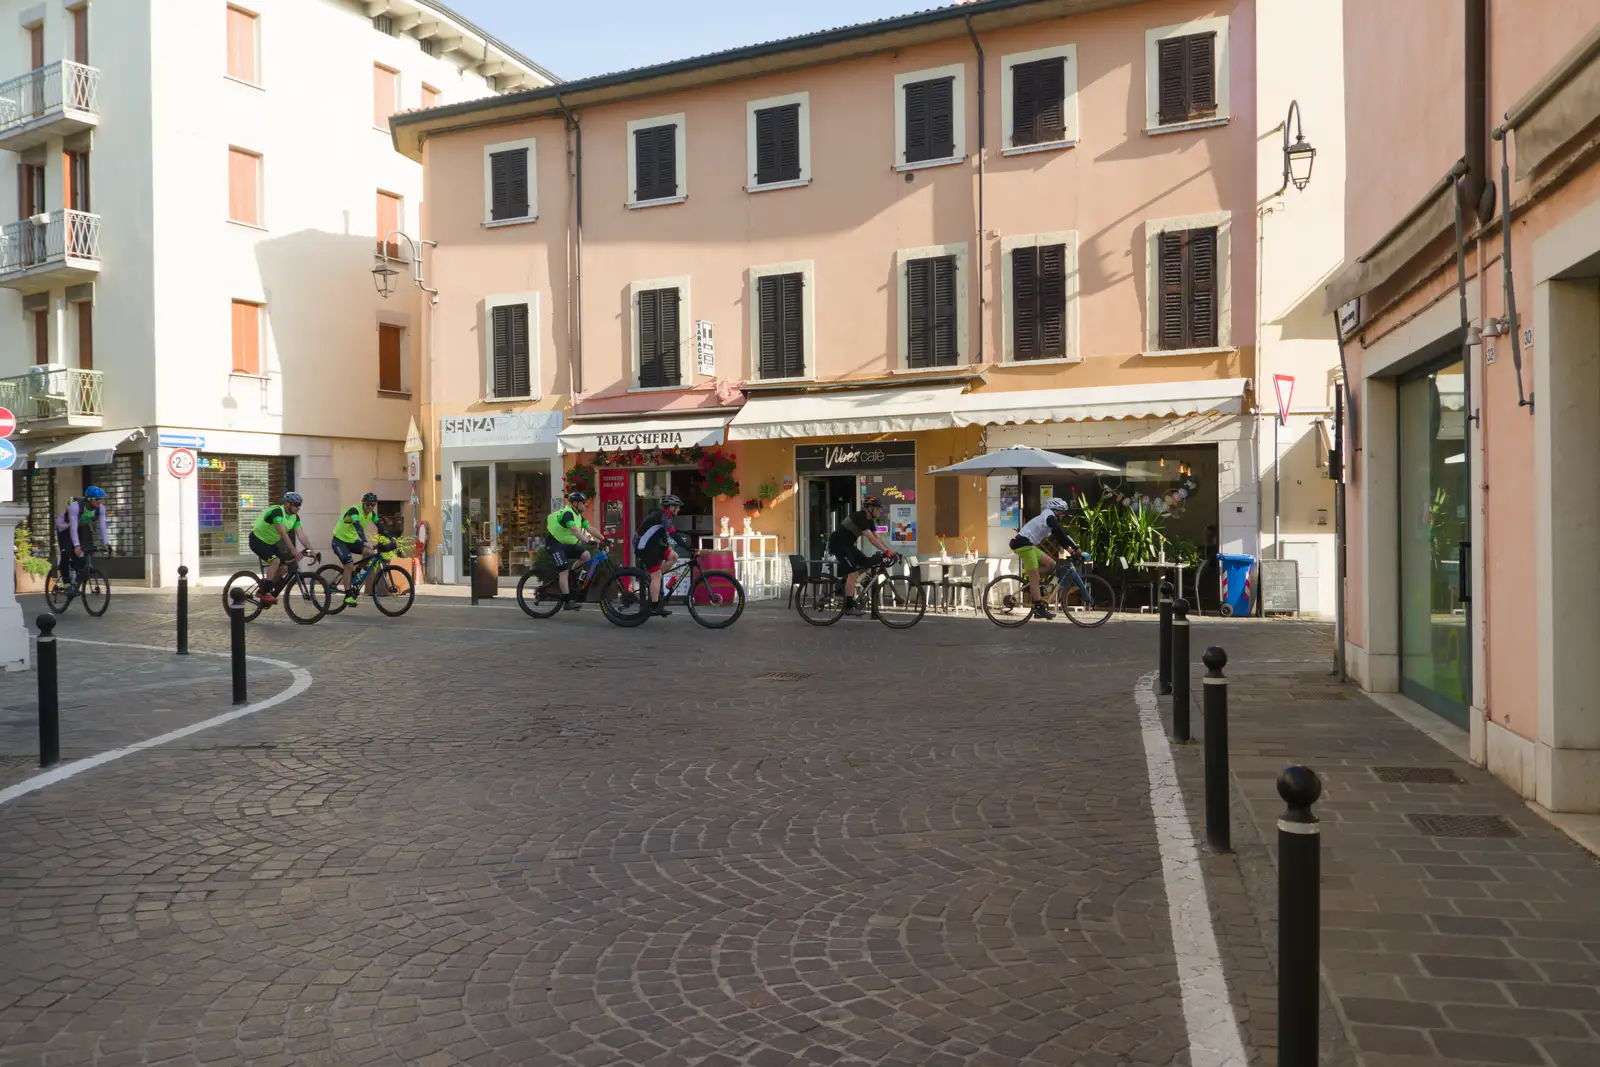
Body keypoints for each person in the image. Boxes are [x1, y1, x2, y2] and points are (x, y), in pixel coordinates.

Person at [1010, 496, 1080, 620]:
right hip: (1023, 544)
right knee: (1034, 577)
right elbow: (1060, 534)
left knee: (1051, 564)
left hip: (1029, 545)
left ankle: (1038, 585)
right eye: (1062, 512)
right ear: (1056, 510)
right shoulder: (1049, 516)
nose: (1063, 515)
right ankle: (1039, 608)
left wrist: (1074, 549)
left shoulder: (1049, 517)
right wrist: (1072, 550)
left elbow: (1061, 535)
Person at [827, 495, 895, 617]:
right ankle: (847, 607)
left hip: (848, 545)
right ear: (870, 508)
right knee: (853, 574)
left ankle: (843, 585)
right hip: (839, 545)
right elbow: (871, 539)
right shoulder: (860, 517)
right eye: (878, 509)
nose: (879, 511)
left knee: (866, 562)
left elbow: (878, 537)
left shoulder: (869, 520)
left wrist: (891, 552)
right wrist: (886, 552)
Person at [249, 493, 315, 606]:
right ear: (287, 504)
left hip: (270, 542)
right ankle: (266, 593)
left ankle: (263, 588)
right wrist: (294, 550)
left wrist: (311, 550)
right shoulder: (277, 513)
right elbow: (283, 533)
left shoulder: (295, 517)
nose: (298, 507)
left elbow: (301, 534)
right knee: (275, 561)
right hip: (257, 540)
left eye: (299, 505)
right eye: (296, 505)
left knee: (284, 568)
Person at [545, 490, 601, 609]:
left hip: (566, 544)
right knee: (563, 571)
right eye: (583, 502)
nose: (585, 505)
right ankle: (567, 601)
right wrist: (587, 540)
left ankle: (572, 577)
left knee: (586, 556)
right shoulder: (568, 514)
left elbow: (590, 528)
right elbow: (574, 530)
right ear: (575, 503)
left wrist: (603, 539)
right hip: (554, 544)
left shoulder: (578, 516)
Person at [636, 493, 687, 617]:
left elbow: (665, 535)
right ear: (670, 507)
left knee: (673, 556)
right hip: (644, 547)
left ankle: (653, 580)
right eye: (677, 507)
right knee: (657, 575)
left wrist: (668, 546)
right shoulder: (662, 516)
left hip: (653, 545)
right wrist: (689, 549)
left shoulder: (664, 517)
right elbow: (674, 534)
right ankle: (655, 605)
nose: (679, 510)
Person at [330, 492, 381, 607]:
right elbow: (358, 527)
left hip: (351, 540)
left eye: (373, 505)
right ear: (363, 503)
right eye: (368, 504)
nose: (370, 507)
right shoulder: (354, 511)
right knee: (348, 565)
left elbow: (381, 526)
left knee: (369, 552)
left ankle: (356, 573)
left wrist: (391, 539)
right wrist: (365, 542)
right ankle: (348, 596)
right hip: (339, 540)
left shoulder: (372, 514)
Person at [55, 486, 108, 586]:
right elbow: (73, 528)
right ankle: (66, 582)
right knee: (66, 552)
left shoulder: (100, 508)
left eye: (101, 499)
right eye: (97, 499)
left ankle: (77, 581)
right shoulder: (75, 506)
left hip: (82, 528)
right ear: (89, 499)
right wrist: (76, 545)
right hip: (65, 528)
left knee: (85, 558)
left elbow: (102, 527)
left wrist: (106, 544)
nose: (99, 501)